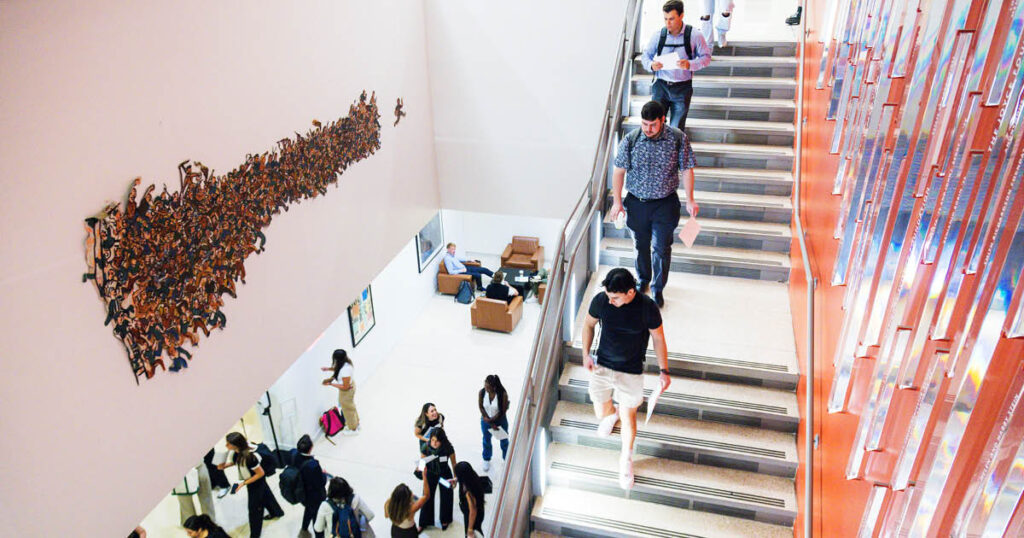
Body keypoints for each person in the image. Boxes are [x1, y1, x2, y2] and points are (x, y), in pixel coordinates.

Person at [580, 268, 672, 490]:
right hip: (603, 365)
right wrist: (585, 354)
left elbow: (658, 338)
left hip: (631, 371)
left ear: (630, 292)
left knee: (628, 415)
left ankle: (626, 459)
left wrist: (664, 370)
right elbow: (588, 325)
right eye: (609, 296)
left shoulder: (647, 307)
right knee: (601, 412)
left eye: (615, 297)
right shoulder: (602, 300)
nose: (610, 301)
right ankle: (612, 416)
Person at [609, 100, 699, 308]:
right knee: (640, 245)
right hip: (636, 203)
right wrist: (617, 202)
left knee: (660, 248)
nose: (648, 129)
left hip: (665, 203)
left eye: (653, 125)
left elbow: (687, 169)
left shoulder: (677, 138)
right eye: (644, 125)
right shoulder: (631, 140)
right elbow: (619, 171)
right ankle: (643, 280)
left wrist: (691, 199)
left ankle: (658, 289)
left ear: (663, 121)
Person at [640, 0, 713, 130]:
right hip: (661, 86)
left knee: (676, 128)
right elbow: (645, 56)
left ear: (681, 15)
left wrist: (690, 64)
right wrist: (651, 65)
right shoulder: (658, 35)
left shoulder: (695, 35)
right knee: (655, 125)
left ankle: (674, 150)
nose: (668, 23)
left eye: (672, 19)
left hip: (682, 88)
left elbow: (706, 58)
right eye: (665, 19)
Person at [216, 432, 285, 538]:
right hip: (252, 480)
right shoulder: (236, 452)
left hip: (256, 482)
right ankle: (277, 512)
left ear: (235, 445)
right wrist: (224, 464)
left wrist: (243, 483)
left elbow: (260, 474)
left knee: (254, 510)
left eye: (228, 444)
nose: (226, 446)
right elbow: (236, 462)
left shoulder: (250, 458)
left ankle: (255, 535)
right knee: (266, 495)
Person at [419, 428, 458, 531]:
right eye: (432, 440)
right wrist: (421, 471)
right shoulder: (426, 447)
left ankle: (445, 519)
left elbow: (454, 463)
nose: (434, 443)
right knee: (427, 496)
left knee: (446, 496)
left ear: (442, 440)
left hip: (444, 475)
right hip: (431, 474)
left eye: (437, 441)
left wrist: (455, 478)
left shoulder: (448, 448)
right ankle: (424, 522)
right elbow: (422, 461)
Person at [292, 434, 328, 535]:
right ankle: (319, 535)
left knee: (308, 510)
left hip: (302, 493)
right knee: (317, 518)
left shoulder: (295, 456)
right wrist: (324, 474)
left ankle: (304, 527)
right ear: (311, 448)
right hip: (315, 497)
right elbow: (321, 483)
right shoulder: (313, 465)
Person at [322, 349, 360, 434]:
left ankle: (353, 429)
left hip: (346, 391)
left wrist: (331, 384)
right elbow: (337, 369)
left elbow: (345, 387)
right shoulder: (345, 363)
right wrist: (328, 369)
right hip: (348, 388)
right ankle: (356, 423)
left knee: (347, 409)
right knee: (350, 407)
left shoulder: (345, 370)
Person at [477, 374, 510, 472]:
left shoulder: (502, 394)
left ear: (494, 387)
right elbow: (481, 407)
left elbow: (502, 411)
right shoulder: (482, 392)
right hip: (486, 420)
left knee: (504, 440)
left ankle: (506, 458)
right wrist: (487, 419)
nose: (485, 388)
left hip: (500, 421)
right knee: (486, 440)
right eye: (485, 385)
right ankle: (486, 458)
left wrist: (492, 421)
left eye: (488, 387)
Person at [454, 462, 486, 538]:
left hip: (473, 517)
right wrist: (456, 480)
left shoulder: (469, 493)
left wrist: (470, 529)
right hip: (479, 511)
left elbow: (473, 511)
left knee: (473, 533)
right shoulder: (472, 478)